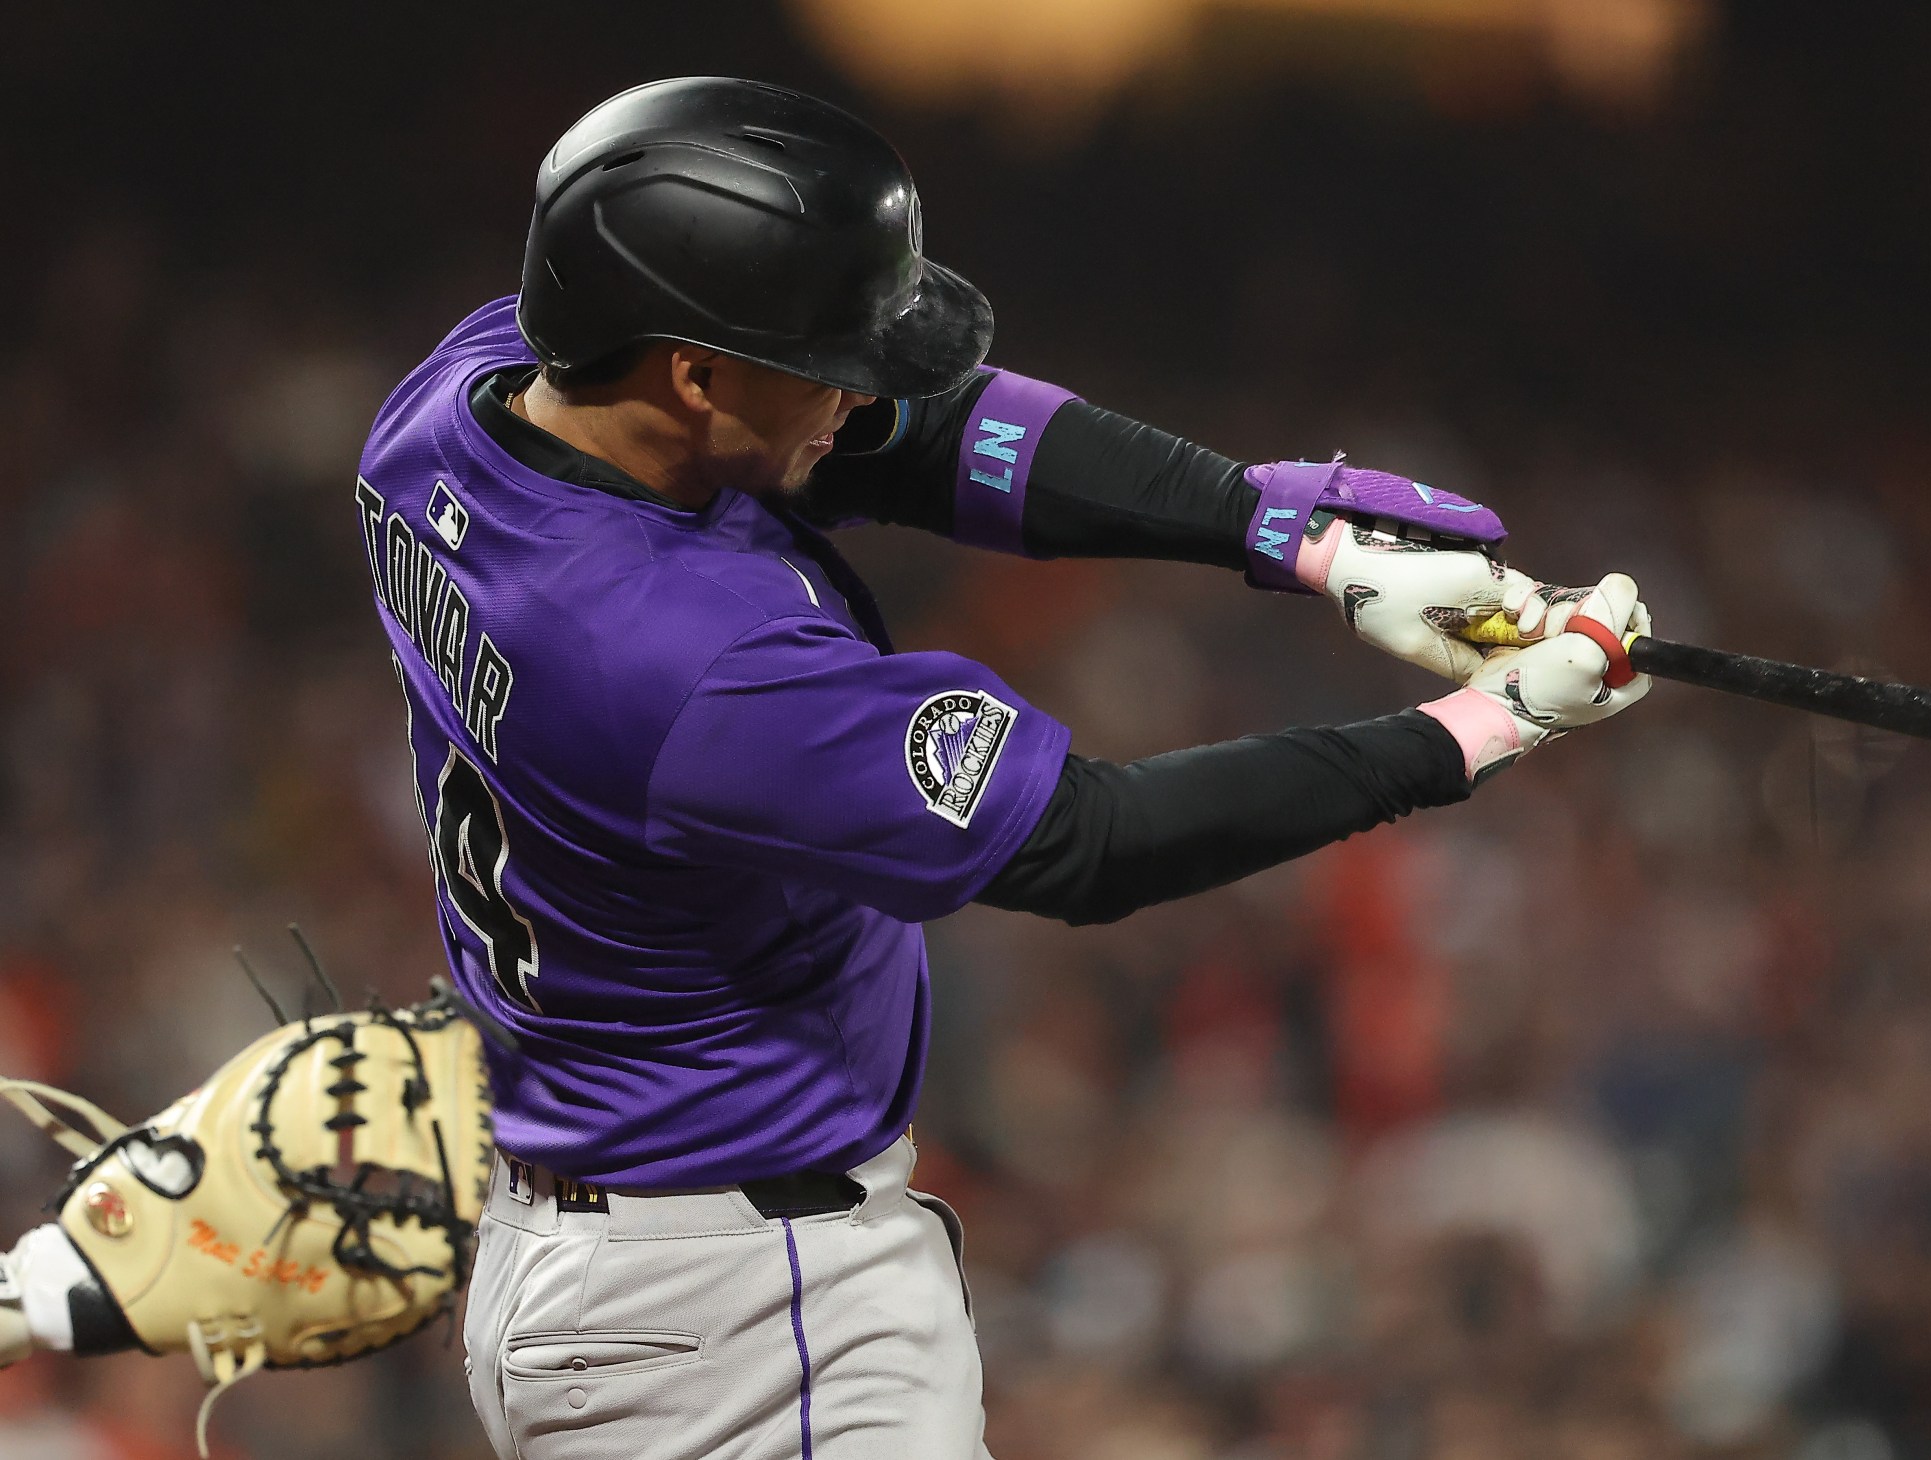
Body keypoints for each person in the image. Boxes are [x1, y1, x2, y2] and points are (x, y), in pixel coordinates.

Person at [356, 76, 1649, 1460]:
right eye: (830, 359)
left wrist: (1284, 537)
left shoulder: (461, 402)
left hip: (610, 1263)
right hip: (734, 1315)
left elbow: (912, 436)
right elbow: (1091, 843)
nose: (863, 391)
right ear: (695, 371)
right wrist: (1486, 729)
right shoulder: (677, 660)